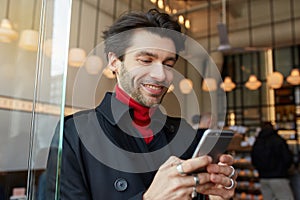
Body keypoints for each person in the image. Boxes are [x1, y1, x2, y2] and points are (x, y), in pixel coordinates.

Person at [46, 9, 237, 199]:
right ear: (114, 62)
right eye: (146, 60)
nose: (161, 75)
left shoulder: (183, 132)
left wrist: (215, 197)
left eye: (168, 64)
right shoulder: (74, 133)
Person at [251, 122, 294, 200]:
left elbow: (254, 160)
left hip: (263, 177)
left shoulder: (258, 142)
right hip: (279, 177)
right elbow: (287, 158)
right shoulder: (278, 140)